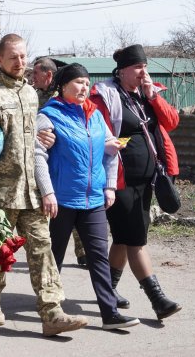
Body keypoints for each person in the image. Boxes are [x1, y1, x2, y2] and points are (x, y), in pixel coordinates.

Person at [0, 33, 88, 336]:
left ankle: (52, 312)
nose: (19, 62)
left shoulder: (32, 94)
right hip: (1, 190)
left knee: (42, 248)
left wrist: (42, 139)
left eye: (23, 57)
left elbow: (29, 139)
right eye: (13, 57)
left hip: (30, 187)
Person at [34, 63, 140, 330]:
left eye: (86, 82)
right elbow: (38, 156)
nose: (84, 87)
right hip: (62, 198)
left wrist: (109, 187)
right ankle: (52, 310)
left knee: (98, 256)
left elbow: (111, 150)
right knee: (54, 255)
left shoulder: (94, 115)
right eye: (78, 82)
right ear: (63, 85)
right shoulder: (49, 115)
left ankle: (110, 313)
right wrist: (47, 192)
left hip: (92, 198)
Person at [90, 44, 181, 320]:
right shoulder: (105, 95)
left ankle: (108, 291)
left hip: (147, 180)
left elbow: (172, 122)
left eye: (145, 67)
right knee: (136, 240)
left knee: (122, 238)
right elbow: (98, 131)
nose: (144, 72)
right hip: (119, 180)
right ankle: (158, 299)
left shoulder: (146, 94)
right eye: (138, 68)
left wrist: (153, 96)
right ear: (122, 70)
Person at [33, 57, 88, 268]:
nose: (32, 78)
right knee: (56, 214)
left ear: (48, 75)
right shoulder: (35, 96)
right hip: (43, 158)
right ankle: (51, 261)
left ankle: (82, 252)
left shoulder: (63, 96)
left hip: (66, 159)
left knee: (72, 210)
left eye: (35, 74)